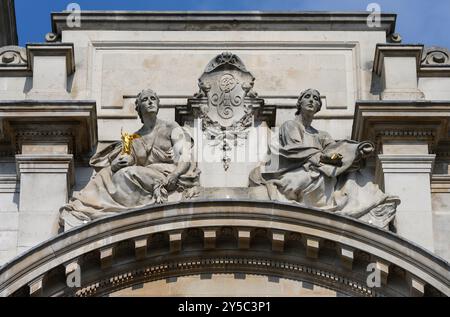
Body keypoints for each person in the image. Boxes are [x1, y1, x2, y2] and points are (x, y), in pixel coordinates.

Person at [249, 88, 398, 229]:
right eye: (307, 96)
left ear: (318, 107)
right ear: (299, 103)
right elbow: (295, 151)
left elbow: (335, 153)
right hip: (296, 171)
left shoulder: (322, 135)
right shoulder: (290, 126)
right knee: (309, 180)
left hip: (319, 171)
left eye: (316, 98)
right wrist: (324, 159)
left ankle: (371, 204)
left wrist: (356, 151)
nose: (311, 100)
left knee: (352, 176)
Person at [60, 89, 200, 224]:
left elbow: (184, 154)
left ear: (158, 105)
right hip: (146, 174)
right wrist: (117, 163)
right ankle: (84, 205)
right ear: (139, 109)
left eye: (153, 99)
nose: (150, 102)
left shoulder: (171, 127)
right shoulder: (133, 138)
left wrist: (175, 174)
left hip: (169, 172)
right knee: (108, 173)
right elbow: (128, 158)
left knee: (129, 173)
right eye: (145, 99)